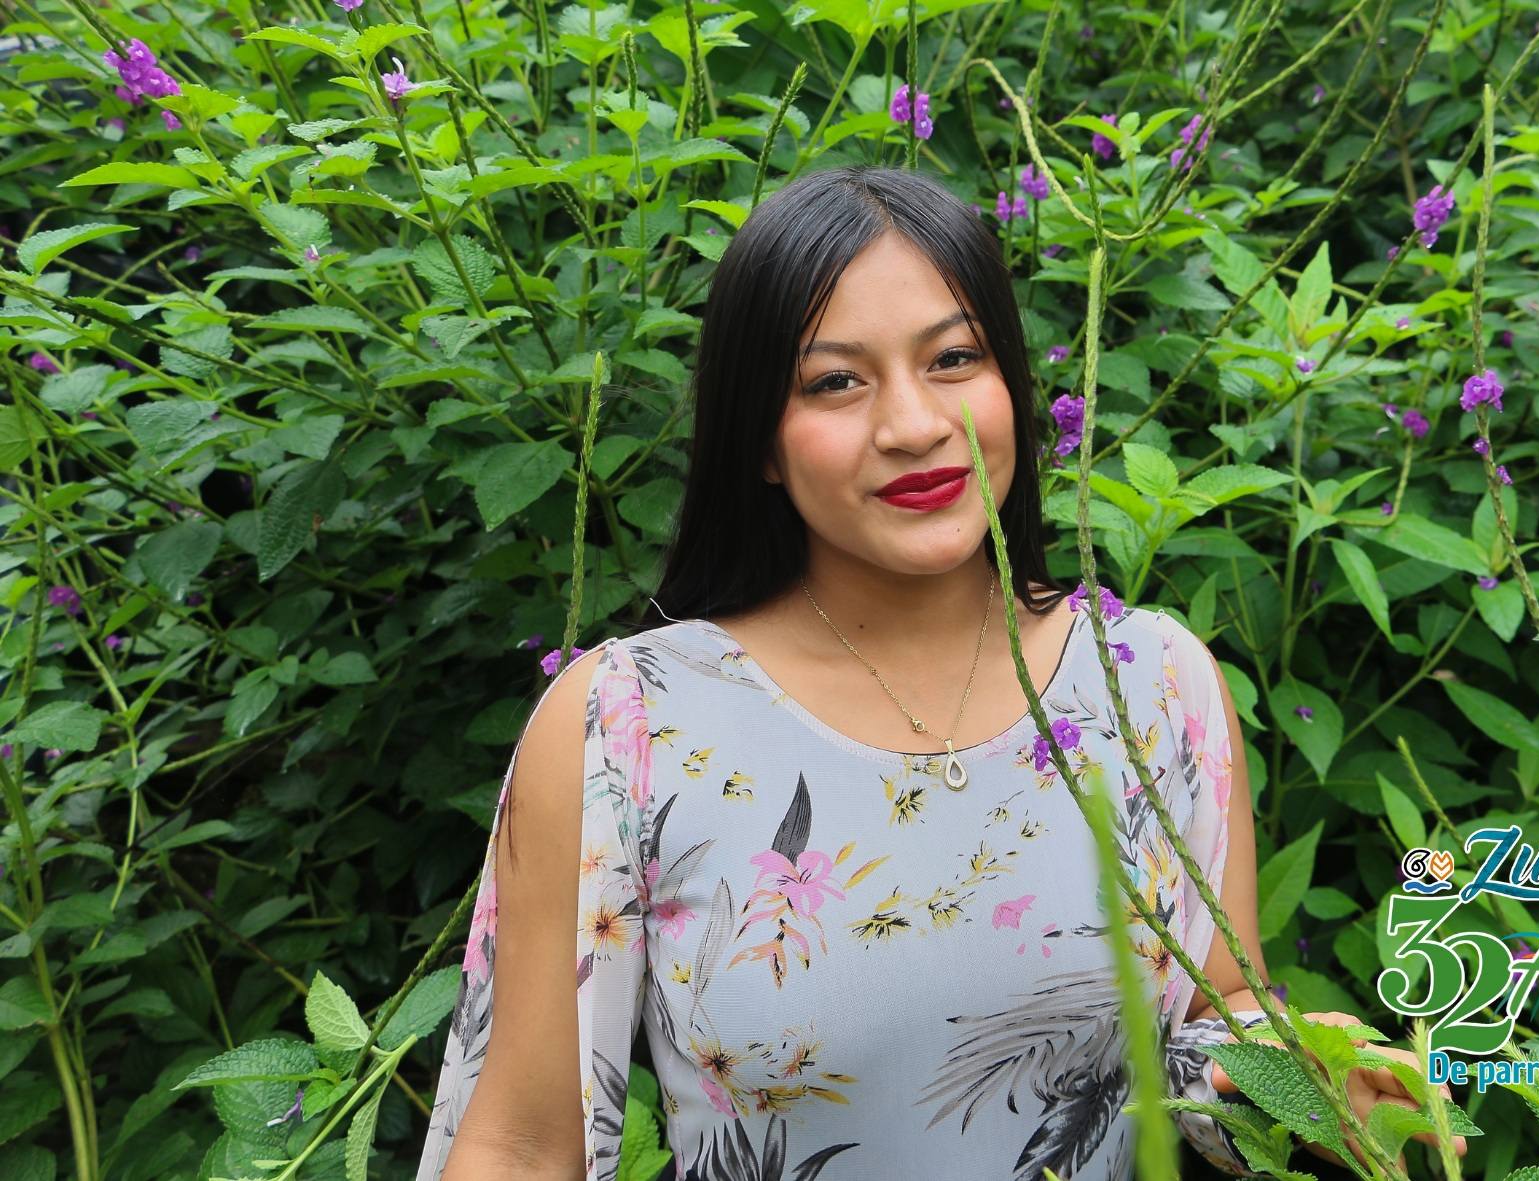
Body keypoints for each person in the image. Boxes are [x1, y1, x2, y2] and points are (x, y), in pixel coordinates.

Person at [416, 165, 1465, 1180]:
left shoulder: (1152, 686)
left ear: (1012, 383)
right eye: (834, 381)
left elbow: (1205, 1017)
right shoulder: (627, 724)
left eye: (954, 358)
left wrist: (1295, 1072)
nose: (914, 425)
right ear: (760, 439)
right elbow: (522, 1148)